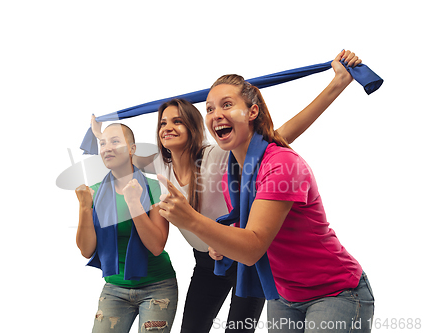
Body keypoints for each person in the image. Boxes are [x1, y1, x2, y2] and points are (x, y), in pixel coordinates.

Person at [92, 50, 365, 333]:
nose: (168, 128)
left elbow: (278, 137)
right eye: (162, 123)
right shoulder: (160, 163)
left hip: (245, 257)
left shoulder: (220, 156)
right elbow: (121, 154)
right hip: (211, 261)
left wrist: (335, 85)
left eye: (177, 121)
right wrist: (102, 136)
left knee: (237, 329)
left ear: (194, 127)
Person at [75, 123, 177, 333]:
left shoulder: (154, 188)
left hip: (157, 287)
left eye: (115, 141)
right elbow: (86, 251)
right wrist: (85, 208)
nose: (106, 148)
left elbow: (156, 246)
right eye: (102, 143)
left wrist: (134, 204)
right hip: (114, 288)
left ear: (132, 149)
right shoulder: (94, 193)